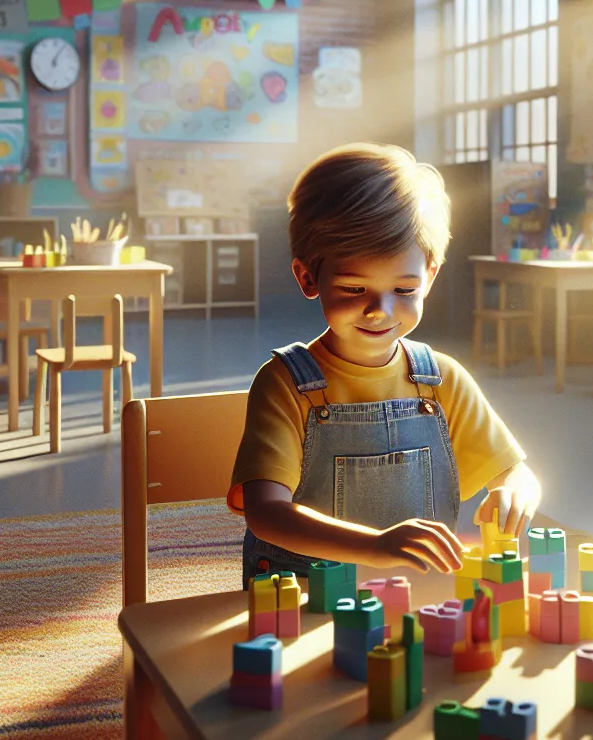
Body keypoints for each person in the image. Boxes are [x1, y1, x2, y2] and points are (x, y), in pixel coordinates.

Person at [230, 143, 543, 581]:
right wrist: (375, 547)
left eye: (403, 289)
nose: (381, 310)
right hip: (300, 602)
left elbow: (517, 473)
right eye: (355, 289)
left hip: (418, 600)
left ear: (429, 277)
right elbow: (266, 513)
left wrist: (516, 491)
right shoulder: (283, 384)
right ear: (308, 278)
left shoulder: (441, 381)